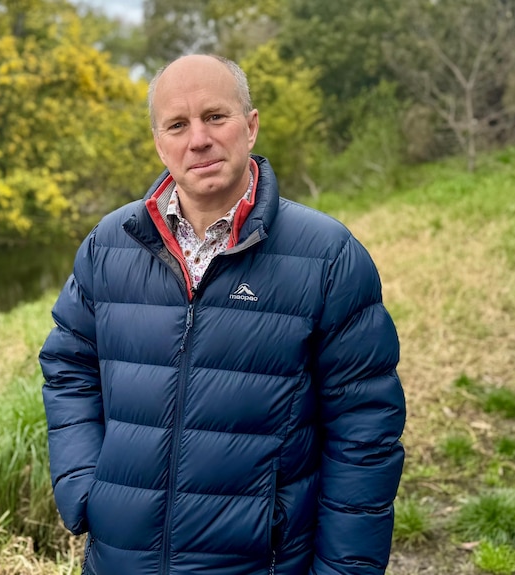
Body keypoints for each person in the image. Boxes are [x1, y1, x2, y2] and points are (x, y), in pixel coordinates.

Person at [39, 54, 406, 575]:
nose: (199, 139)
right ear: (159, 143)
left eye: (215, 116)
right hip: (122, 558)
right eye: (177, 125)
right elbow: (68, 366)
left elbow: (365, 427)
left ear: (250, 127)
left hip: (262, 561)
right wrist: (83, 485)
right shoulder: (108, 245)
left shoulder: (329, 257)